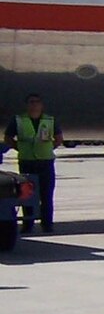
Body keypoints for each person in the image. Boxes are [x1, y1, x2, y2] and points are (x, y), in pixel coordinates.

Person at [6, 90, 62, 232]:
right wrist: (20, 148)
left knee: (47, 195)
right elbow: (8, 138)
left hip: (45, 162)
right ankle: (28, 224)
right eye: (31, 102)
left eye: (37, 102)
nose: (34, 105)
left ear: (41, 105)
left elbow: (59, 138)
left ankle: (47, 224)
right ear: (27, 105)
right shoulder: (18, 120)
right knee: (28, 195)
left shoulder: (50, 120)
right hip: (27, 162)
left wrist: (48, 149)